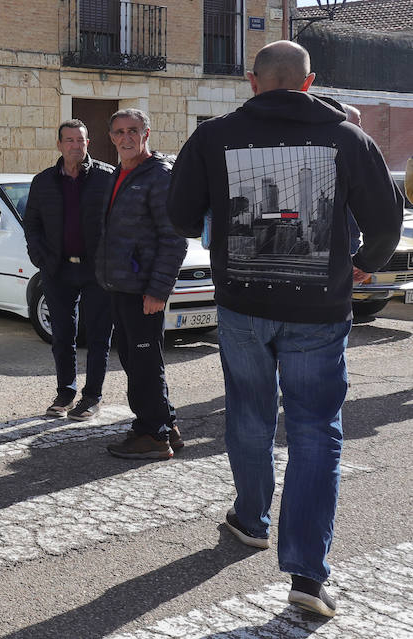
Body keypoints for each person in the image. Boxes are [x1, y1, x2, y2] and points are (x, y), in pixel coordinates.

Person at [167, 40, 402, 617]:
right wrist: (365, 264)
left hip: (241, 305)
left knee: (248, 412)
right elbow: (388, 220)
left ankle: (250, 520)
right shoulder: (348, 138)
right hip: (318, 311)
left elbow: (176, 216)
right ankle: (305, 574)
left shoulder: (212, 136)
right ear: (308, 80)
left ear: (253, 82)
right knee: (316, 431)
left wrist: (218, 227)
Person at [96, 109, 187, 460]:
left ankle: (152, 435)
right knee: (138, 360)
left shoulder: (159, 175)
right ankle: (166, 425)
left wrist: (158, 290)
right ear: (112, 137)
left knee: (145, 363)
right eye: (119, 132)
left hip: (144, 290)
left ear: (146, 134)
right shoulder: (120, 173)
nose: (126, 138)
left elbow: (174, 238)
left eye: (133, 131)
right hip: (122, 285)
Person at [24, 120, 115, 420]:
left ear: (89, 143)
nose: (76, 145)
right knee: (62, 334)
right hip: (58, 269)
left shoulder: (106, 177)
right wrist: (41, 258)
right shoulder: (43, 181)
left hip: (97, 271)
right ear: (59, 144)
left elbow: (119, 222)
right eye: (70, 140)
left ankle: (92, 397)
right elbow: (32, 224)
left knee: (100, 337)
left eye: (81, 140)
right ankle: (65, 392)